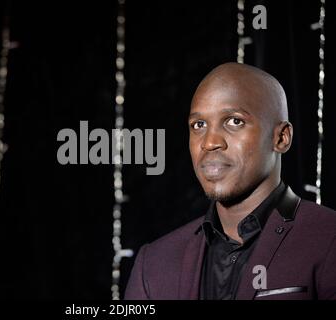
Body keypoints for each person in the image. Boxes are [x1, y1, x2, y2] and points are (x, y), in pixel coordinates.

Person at [124, 62, 336, 300]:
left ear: (281, 138)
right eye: (199, 125)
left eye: (234, 121)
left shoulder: (329, 238)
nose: (210, 141)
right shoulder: (153, 263)